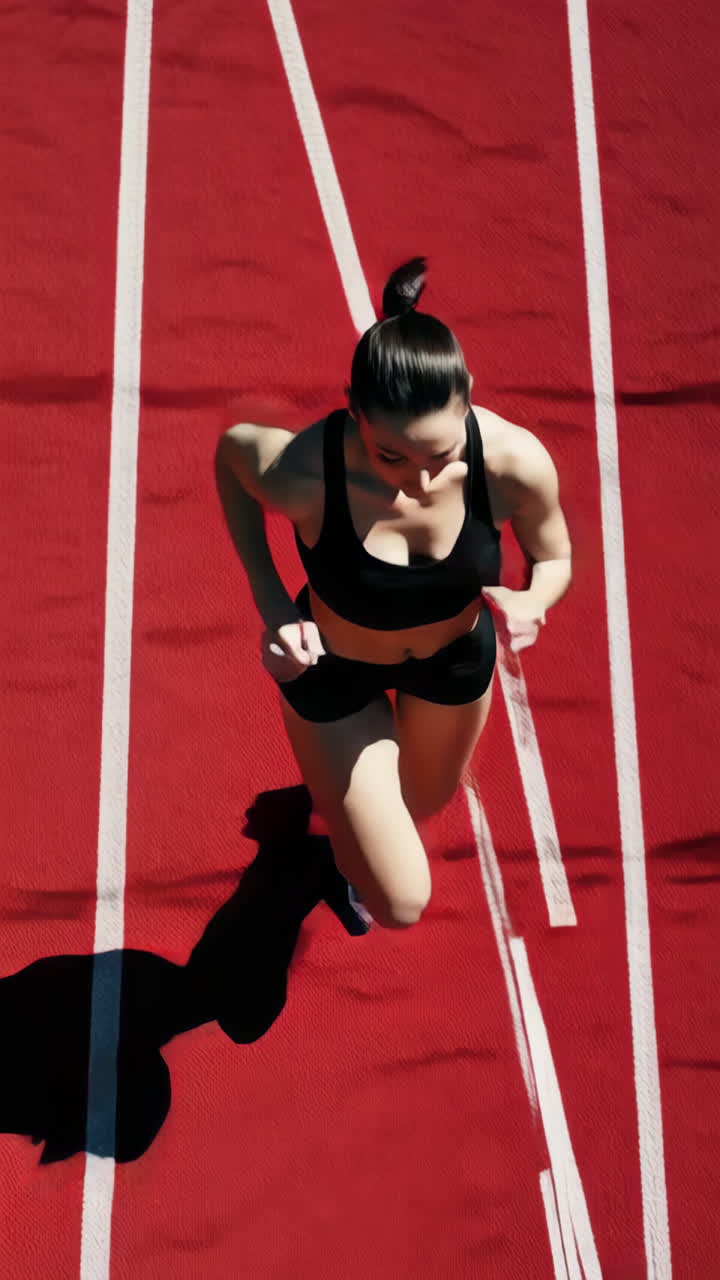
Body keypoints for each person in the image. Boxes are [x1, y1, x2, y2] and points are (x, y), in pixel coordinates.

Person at [215, 258, 572, 932]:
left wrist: (534, 599)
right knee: (401, 902)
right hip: (335, 677)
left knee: (422, 801)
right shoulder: (304, 473)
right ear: (355, 412)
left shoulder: (512, 461)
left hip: (451, 665)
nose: (417, 481)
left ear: (467, 398)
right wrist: (273, 607)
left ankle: (350, 817)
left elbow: (554, 556)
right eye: (391, 458)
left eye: (439, 457)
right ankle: (346, 861)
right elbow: (232, 457)